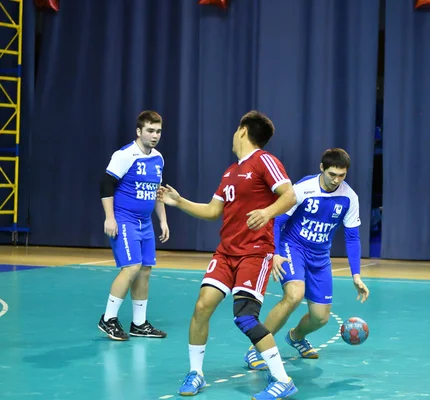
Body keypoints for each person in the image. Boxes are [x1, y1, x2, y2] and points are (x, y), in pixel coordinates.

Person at [157, 111, 299, 399]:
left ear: (243, 131)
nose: (233, 135)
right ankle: (196, 374)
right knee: (201, 307)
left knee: (245, 317)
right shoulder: (230, 171)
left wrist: (267, 212)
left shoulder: (264, 161)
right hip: (226, 253)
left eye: (236, 130)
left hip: (255, 253)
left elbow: (290, 195)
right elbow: (212, 211)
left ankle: (283, 380)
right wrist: (179, 201)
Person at [243, 148, 370, 371]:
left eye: (342, 175)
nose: (336, 180)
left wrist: (356, 275)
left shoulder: (349, 197)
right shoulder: (303, 189)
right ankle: (256, 349)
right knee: (294, 295)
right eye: (332, 174)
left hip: (320, 256)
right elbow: (278, 220)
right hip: (293, 247)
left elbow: (352, 237)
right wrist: (275, 253)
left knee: (320, 318)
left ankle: (296, 337)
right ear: (322, 168)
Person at [98, 110, 169, 341]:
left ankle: (139, 324)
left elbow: (157, 192)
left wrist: (163, 221)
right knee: (131, 268)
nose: (154, 135)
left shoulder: (158, 158)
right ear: (139, 131)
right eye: (150, 130)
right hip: (124, 219)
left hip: (145, 222)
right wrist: (110, 217)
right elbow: (106, 184)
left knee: (145, 270)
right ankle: (108, 319)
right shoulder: (125, 155)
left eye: (158, 131)